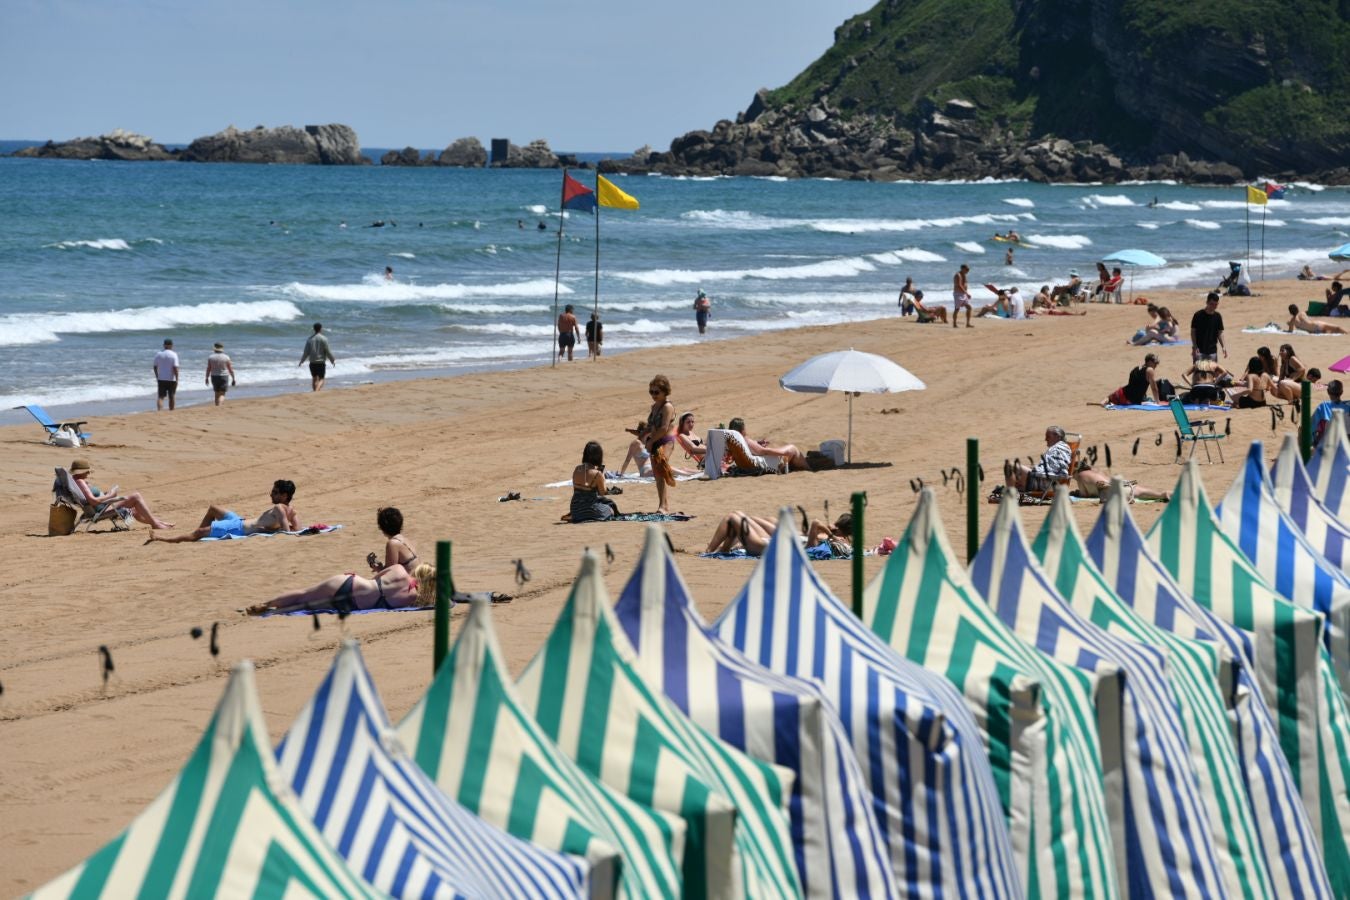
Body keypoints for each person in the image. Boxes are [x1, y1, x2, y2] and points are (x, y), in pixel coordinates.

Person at [246, 562, 435, 615]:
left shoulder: (399, 570)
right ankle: (277, 610)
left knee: (305, 594)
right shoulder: (412, 599)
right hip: (353, 605)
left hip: (353, 584)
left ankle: (268, 604)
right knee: (307, 604)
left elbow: (374, 578)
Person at [146, 480, 299, 543]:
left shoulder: (280, 508)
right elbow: (298, 529)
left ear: (284, 496)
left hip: (238, 528)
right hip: (239, 520)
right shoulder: (292, 511)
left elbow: (287, 532)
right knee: (213, 509)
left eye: (275, 492)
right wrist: (269, 528)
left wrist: (272, 530)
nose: (271, 494)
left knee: (199, 532)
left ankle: (161, 539)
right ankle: (202, 533)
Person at [67, 458, 173, 530]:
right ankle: (155, 524)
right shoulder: (80, 482)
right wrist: (111, 495)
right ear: (80, 472)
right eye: (87, 471)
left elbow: (92, 498)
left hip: (101, 507)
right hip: (102, 510)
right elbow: (93, 501)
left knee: (134, 509)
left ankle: (157, 522)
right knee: (136, 496)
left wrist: (105, 494)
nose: (88, 474)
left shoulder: (75, 481)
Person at [706, 511, 852, 557]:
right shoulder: (824, 543)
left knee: (732, 517)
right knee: (739, 517)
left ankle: (708, 552)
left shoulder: (822, 542)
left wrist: (831, 534)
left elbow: (815, 524)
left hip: (763, 546)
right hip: (769, 543)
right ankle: (722, 550)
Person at [1006, 425, 1073, 493]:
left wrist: (1036, 470)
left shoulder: (1060, 448)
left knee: (1010, 466)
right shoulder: (1058, 447)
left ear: (1057, 436)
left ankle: (1010, 494)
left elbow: (1055, 469)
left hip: (1045, 483)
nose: (1045, 439)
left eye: (1048, 437)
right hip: (1045, 480)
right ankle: (1014, 491)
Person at [728, 417, 810, 471]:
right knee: (793, 448)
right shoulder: (746, 440)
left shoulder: (733, 441)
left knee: (785, 450)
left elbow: (751, 450)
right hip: (769, 465)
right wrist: (782, 453)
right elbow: (763, 451)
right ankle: (808, 469)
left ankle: (797, 466)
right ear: (742, 430)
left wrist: (757, 443)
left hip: (749, 465)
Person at [645, 375, 676, 514]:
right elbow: (652, 426)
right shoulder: (654, 407)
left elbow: (664, 428)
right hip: (655, 441)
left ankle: (664, 506)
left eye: (656, 392)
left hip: (666, 441)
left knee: (661, 470)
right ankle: (662, 504)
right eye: (651, 392)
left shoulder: (667, 407)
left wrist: (651, 441)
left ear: (665, 391)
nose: (653, 395)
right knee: (657, 475)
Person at [570, 441, 620, 523]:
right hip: (590, 509)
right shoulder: (597, 474)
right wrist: (602, 476)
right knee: (610, 509)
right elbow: (602, 492)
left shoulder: (577, 469)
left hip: (575, 510)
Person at [1073, 464, 1170, 502]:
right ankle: (1171, 494)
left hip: (1114, 492)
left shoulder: (1081, 476)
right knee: (1160, 493)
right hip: (1124, 484)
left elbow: (1085, 495)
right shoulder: (1096, 470)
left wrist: (1076, 493)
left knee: (1152, 495)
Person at [368, 506, 418, 575]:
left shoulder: (392, 544)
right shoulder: (404, 539)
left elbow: (390, 574)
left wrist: (376, 567)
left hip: (412, 584)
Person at [1189, 292, 1227, 361]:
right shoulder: (1198, 315)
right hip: (1199, 350)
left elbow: (1220, 333)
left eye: (1216, 304)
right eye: (1212, 304)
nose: (1214, 307)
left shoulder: (1218, 316)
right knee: (1198, 371)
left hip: (1212, 351)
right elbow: (1193, 332)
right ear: (1207, 302)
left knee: (1212, 371)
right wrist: (1194, 346)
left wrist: (1223, 346)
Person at [299, 322, 336, 391]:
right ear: (321, 329)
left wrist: (302, 361)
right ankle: (317, 391)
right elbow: (327, 351)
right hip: (321, 362)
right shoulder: (324, 339)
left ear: (314, 329)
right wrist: (332, 360)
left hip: (312, 362)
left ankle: (315, 391)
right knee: (322, 379)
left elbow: (306, 352)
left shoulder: (309, 339)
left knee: (314, 378)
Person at [1311, 380, 1350, 445]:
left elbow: (1312, 425)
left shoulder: (1324, 406)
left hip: (1326, 442)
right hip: (1344, 443)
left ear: (1328, 392)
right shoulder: (1348, 408)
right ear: (1342, 392)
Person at [153, 338, 179, 412]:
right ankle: (171, 411)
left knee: (161, 397)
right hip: (171, 379)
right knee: (172, 396)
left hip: (161, 378)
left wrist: (157, 376)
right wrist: (177, 379)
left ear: (164, 345)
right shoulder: (174, 354)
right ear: (171, 345)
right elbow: (176, 368)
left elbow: (155, 366)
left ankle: (160, 411)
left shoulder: (159, 354)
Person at [205, 342, 235, 406]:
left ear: (214, 349)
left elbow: (208, 368)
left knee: (216, 393)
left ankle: (217, 406)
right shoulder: (226, 357)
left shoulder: (211, 357)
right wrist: (233, 378)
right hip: (224, 376)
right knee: (222, 394)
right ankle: (219, 406)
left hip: (214, 376)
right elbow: (230, 369)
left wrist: (206, 378)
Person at [952, 264, 974, 328]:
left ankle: (968, 324)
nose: (967, 271)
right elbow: (959, 285)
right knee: (957, 309)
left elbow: (964, 284)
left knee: (969, 307)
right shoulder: (958, 275)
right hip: (958, 294)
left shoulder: (964, 275)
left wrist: (966, 293)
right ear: (962, 269)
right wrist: (966, 293)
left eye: (968, 270)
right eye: (966, 269)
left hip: (963, 294)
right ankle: (954, 324)